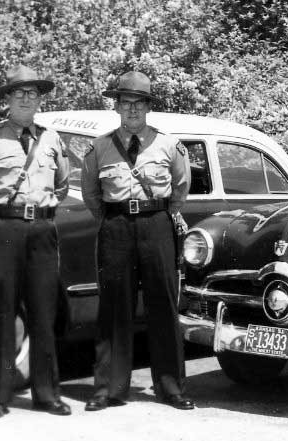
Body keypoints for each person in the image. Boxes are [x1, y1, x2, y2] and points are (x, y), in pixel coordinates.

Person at [81, 71, 195, 410]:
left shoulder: (168, 144)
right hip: (116, 226)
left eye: (139, 104)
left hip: (156, 223)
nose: (132, 110)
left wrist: (163, 213)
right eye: (125, 103)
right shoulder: (100, 147)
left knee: (163, 303)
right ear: (116, 107)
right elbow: (90, 193)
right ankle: (108, 389)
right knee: (115, 307)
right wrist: (111, 219)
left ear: (148, 107)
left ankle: (171, 387)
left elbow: (181, 186)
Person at [0, 65, 73, 419]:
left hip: (42, 231)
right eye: (19, 93)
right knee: (1, 315)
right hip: (5, 232)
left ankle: (46, 394)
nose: (26, 98)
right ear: (8, 100)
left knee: (44, 312)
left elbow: (62, 183)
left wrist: (39, 214)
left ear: (39, 100)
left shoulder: (52, 138)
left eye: (33, 93)